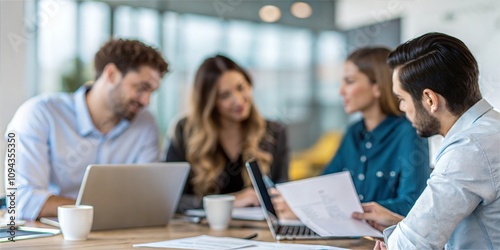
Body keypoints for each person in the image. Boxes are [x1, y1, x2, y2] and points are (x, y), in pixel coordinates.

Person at [352, 32, 500, 249]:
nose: (402, 109)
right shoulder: (489, 129)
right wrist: (400, 223)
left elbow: (410, 246)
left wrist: (399, 239)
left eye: (402, 99)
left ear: (430, 99)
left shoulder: (469, 150)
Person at [5, 39, 169, 220]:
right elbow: (20, 200)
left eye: (151, 92)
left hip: (120, 236)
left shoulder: (145, 124)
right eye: (141, 88)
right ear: (112, 74)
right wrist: (95, 209)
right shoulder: (39, 114)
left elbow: (149, 198)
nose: (146, 101)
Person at [272, 47, 429, 220]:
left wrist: (323, 210)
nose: (341, 91)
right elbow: (324, 185)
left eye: (350, 81)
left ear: (377, 87)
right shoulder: (353, 133)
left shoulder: (409, 132)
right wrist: (296, 200)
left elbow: (412, 205)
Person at [165, 55, 289, 211]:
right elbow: (171, 199)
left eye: (241, 88)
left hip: (261, 230)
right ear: (209, 103)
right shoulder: (184, 130)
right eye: (225, 96)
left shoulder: (275, 132)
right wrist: (230, 201)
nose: (238, 101)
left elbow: (283, 189)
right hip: (202, 231)